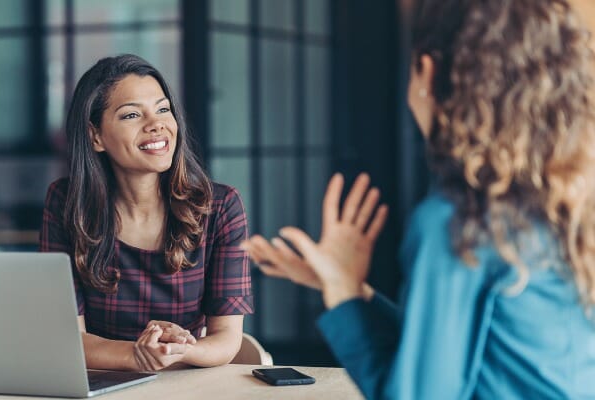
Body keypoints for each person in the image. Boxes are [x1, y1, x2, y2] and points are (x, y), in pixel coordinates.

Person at [242, 0, 595, 398]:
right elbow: (457, 348)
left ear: (426, 72)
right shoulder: (563, 198)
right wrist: (351, 290)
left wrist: (342, 294)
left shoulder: (461, 219)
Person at [40, 54, 253, 372]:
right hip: (102, 384)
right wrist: (137, 355)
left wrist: (177, 349)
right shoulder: (66, 203)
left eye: (163, 109)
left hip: (187, 383)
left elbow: (227, 337)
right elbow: (68, 337)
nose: (157, 125)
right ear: (95, 135)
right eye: (131, 115)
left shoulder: (221, 206)